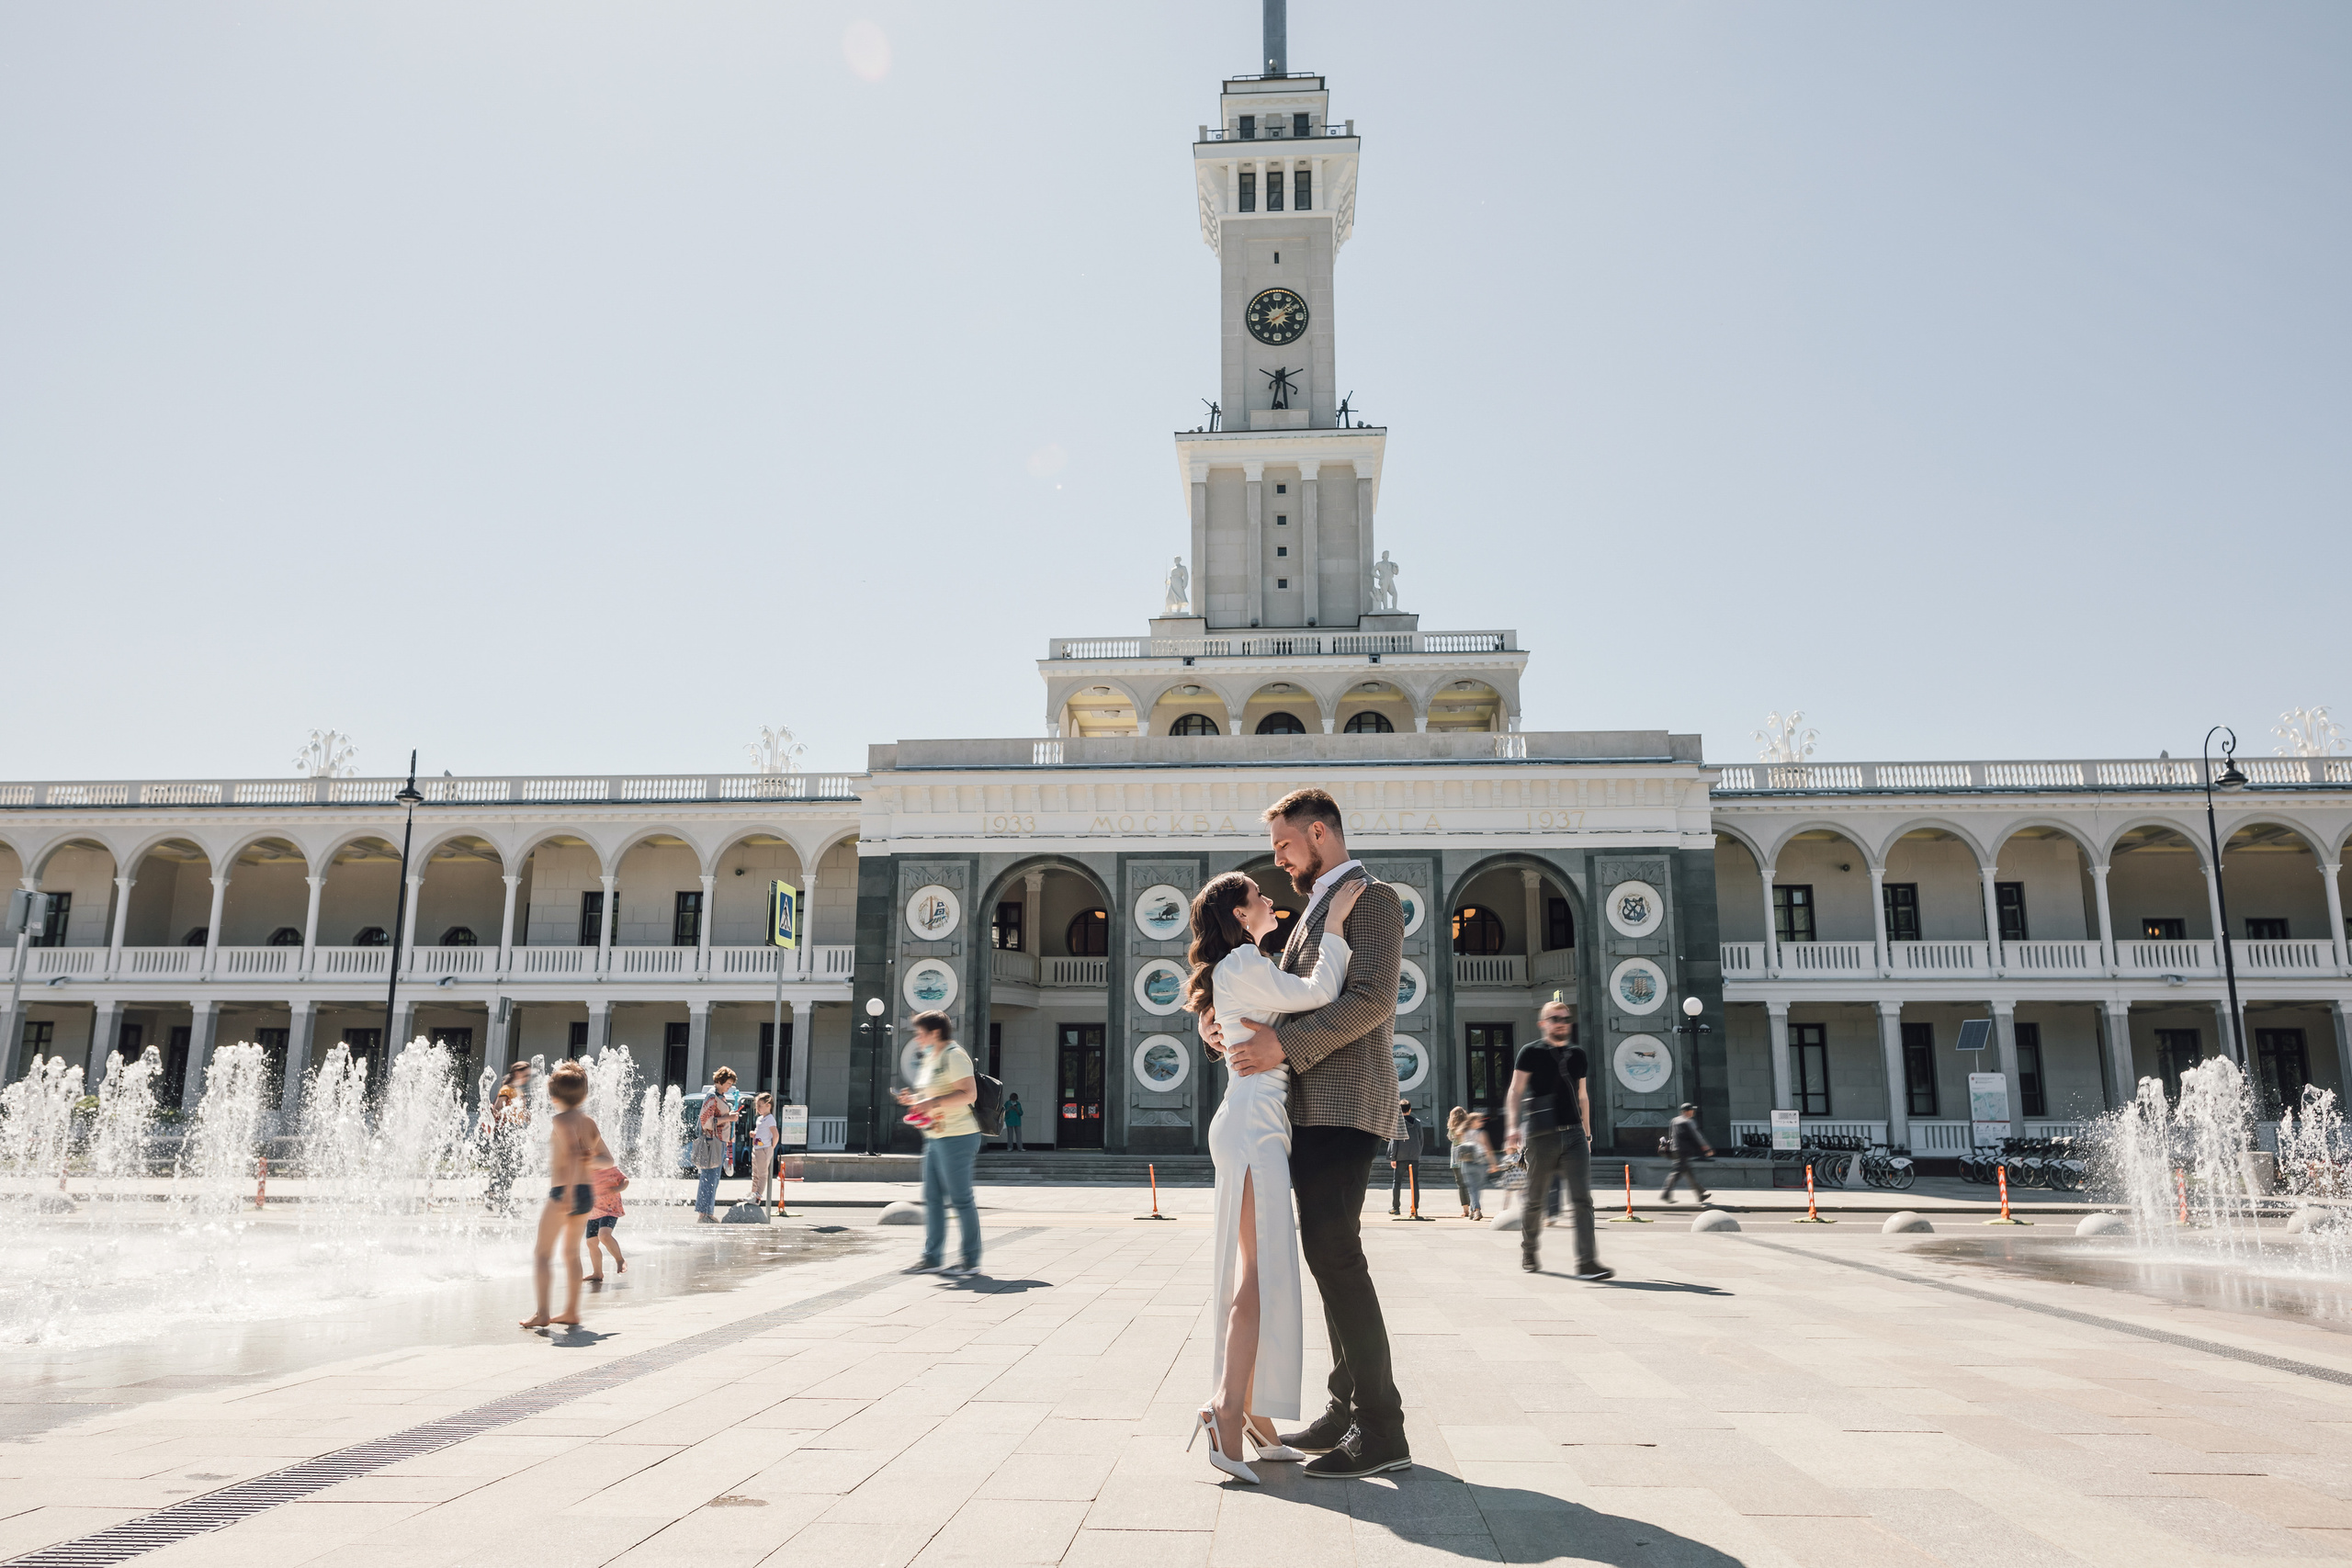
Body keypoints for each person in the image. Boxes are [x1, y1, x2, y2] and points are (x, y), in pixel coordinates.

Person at [1199, 786, 1410, 1479]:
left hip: (1345, 1103)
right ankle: (1346, 1407)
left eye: (1285, 845)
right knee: (1326, 1255)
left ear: (1319, 833)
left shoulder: (1371, 899)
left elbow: (1372, 999)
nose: (1280, 861)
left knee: (1335, 1254)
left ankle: (1382, 1427)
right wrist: (1221, 1027)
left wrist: (1282, 1047)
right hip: (1299, 1109)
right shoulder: (1313, 910)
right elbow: (1274, 1003)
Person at [1182, 868, 1364, 1485]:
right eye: (1258, 896)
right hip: (1253, 1124)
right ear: (1239, 914)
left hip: (1254, 1119)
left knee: (1259, 1272)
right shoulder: (1242, 963)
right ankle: (1226, 1409)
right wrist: (1334, 923)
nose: (1269, 900)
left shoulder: (1242, 966)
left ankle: (1256, 1415)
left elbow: (1241, 1022)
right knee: (1258, 1276)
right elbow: (1321, 990)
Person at [1504, 1000, 1611, 1281]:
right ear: (1543, 1024)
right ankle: (1529, 1250)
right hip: (1541, 1136)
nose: (1561, 1023)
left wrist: (1587, 1133)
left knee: (1582, 1199)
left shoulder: (1578, 1054)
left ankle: (1587, 1262)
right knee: (1535, 1200)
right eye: (1555, 1018)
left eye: (1565, 1018)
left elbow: (1582, 1095)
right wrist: (1512, 1128)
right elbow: (1515, 1090)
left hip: (1575, 1134)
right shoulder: (1530, 1052)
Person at [896, 1010, 981, 1279]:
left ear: (935, 1032)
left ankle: (970, 1260)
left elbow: (969, 1094)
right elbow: (933, 1095)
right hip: (935, 1136)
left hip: (958, 1136)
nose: (917, 1038)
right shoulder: (932, 1057)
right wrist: (915, 1100)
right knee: (932, 1199)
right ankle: (931, 1258)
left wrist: (931, 1102)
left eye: (920, 1032)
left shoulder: (954, 1055)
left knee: (961, 1199)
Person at [520, 1058, 600, 1330]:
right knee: (571, 1253)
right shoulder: (589, 1122)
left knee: (542, 1253)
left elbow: (575, 1154)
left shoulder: (561, 1120)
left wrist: (567, 1193)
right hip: (586, 1192)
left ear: (553, 1097)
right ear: (584, 1095)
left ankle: (542, 1313)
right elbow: (598, 1156)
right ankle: (571, 1311)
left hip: (565, 1191)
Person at [693, 1066, 740, 1223]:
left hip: (717, 1141)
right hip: (712, 1141)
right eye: (728, 1083)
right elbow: (706, 1121)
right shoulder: (712, 1096)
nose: (729, 1087)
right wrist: (729, 1118)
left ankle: (706, 1212)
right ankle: (705, 1214)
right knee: (710, 1177)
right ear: (720, 1081)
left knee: (713, 1178)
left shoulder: (718, 1096)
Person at [486, 1059, 532, 1213]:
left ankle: (492, 1192)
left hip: (516, 1131)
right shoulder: (507, 1089)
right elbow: (497, 1109)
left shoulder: (519, 1091)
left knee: (514, 1168)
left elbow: (522, 1113)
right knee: (508, 1168)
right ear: (517, 1073)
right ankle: (504, 1205)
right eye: (526, 1075)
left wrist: (528, 1117)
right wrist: (508, 1113)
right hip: (506, 1132)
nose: (527, 1078)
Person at [584, 1143, 628, 1282]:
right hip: (593, 1213)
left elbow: (625, 1180)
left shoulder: (610, 1170)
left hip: (610, 1210)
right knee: (591, 1243)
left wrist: (618, 1189)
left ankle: (620, 1259)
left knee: (604, 1235)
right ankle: (597, 1273)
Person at [1659, 1102, 1713, 1204]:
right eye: (1691, 1110)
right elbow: (1697, 1136)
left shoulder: (1674, 1120)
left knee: (1688, 1172)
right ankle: (1665, 1194)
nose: (1693, 1112)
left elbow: (1671, 1135)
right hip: (1684, 1151)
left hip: (1675, 1149)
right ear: (1686, 1112)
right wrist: (1706, 1148)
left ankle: (1700, 1194)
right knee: (1676, 1173)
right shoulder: (1688, 1122)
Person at [1448, 1107, 1493, 1221]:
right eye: (1479, 1121)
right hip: (1479, 1162)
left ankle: (1472, 1210)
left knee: (1469, 1187)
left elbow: (1453, 1139)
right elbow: (1488, 1149)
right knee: (1475, 1188)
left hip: (1464, 1162)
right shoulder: (1480, 1133)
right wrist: (1493, 1164)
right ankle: (1476, 1210)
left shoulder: (1461, 1132)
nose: (1482, 1122)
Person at [1387, 1099, 1423, 1215]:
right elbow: (1421, 1139)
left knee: (1397, 1183)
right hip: (1414, 1157)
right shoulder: (1417, 1122)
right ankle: (1415, 1208)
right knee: (1414, 1183)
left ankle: (1396, 1208)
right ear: (1410, 1109)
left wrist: (1393, 1157)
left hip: (1400, 1157)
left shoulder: (1397, 1123)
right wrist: (1417, 1153)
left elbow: (1394, 1141)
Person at [749, 1091, 778, 1204]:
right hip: (757, 1148)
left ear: (768, 1105)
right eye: (757, 1105)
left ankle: (758, 1196)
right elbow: (761, 1132)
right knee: (755, 1174)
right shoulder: (760, 1119)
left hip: (764, 1148)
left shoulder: (770, 1118)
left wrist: (771, 1147)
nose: (758, 1108)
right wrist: (754, 1134)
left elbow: (775, 1134)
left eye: (760, 1105)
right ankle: (753, 1193)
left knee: (762, 1174)